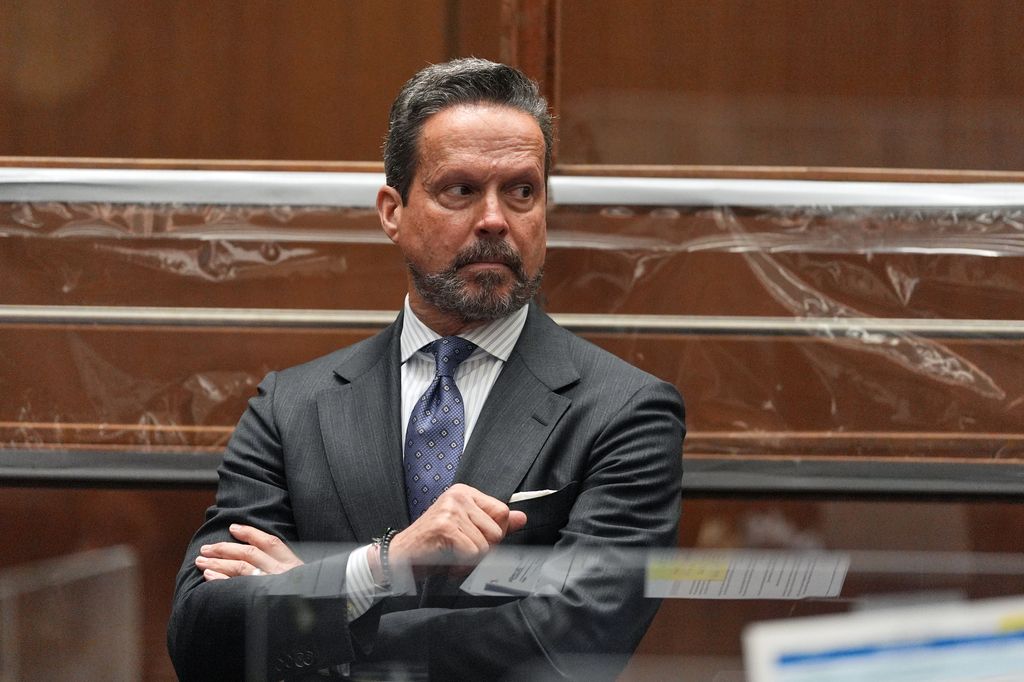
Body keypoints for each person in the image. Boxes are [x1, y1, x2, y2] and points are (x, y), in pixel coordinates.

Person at [168, 57, 684, 681]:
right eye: (460, 190)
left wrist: (321, 601)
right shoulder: (291, 407)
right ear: (392, 211)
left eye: (522, 191)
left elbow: (571, 642)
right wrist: (382, 565)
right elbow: (200, 634)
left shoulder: (625, 411)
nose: (495, 219)